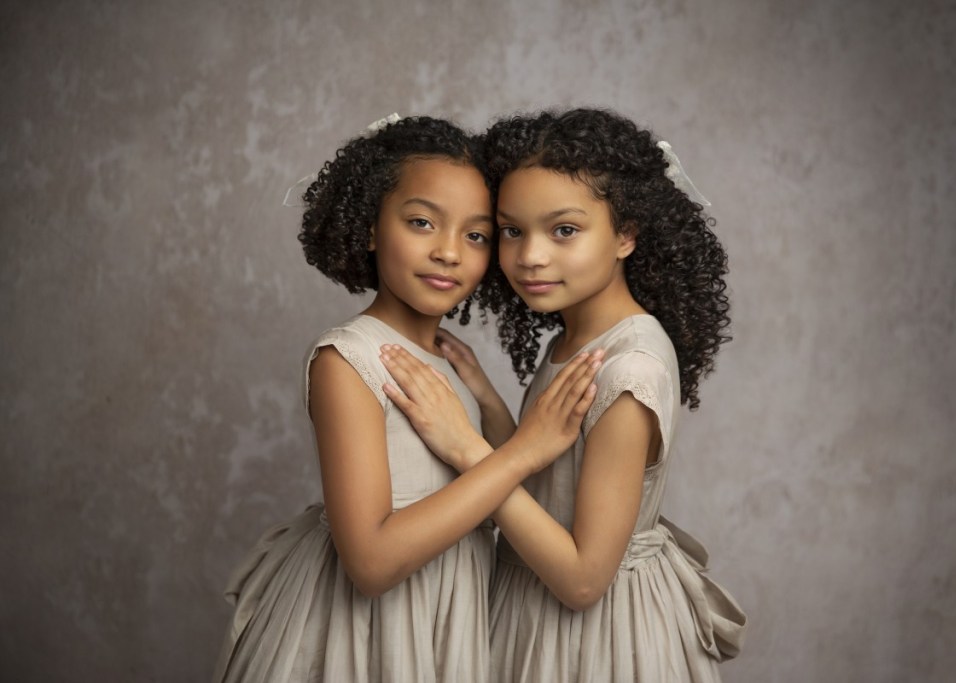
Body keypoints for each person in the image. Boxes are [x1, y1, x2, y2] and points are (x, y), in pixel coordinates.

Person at [212, 115, 603, 683]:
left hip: (446, 618)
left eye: (476, 235)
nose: (449, 252)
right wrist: (524, 451)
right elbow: (370, 564)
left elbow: (495, 494)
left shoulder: (451, 360)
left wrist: (491, 407)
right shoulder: (349, 360)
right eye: (422, 222)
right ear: (371, 227)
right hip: (367, 631)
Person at [379, 108, 748, 682]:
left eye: (565, 230)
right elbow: (548, 476)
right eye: (512, 230)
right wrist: (487, 398)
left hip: (595, 638)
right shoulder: (574, 337)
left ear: (626, 233)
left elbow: (582, 579)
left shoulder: (629, 371)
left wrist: (465, 448)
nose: (531, 256)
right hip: (529, 603)